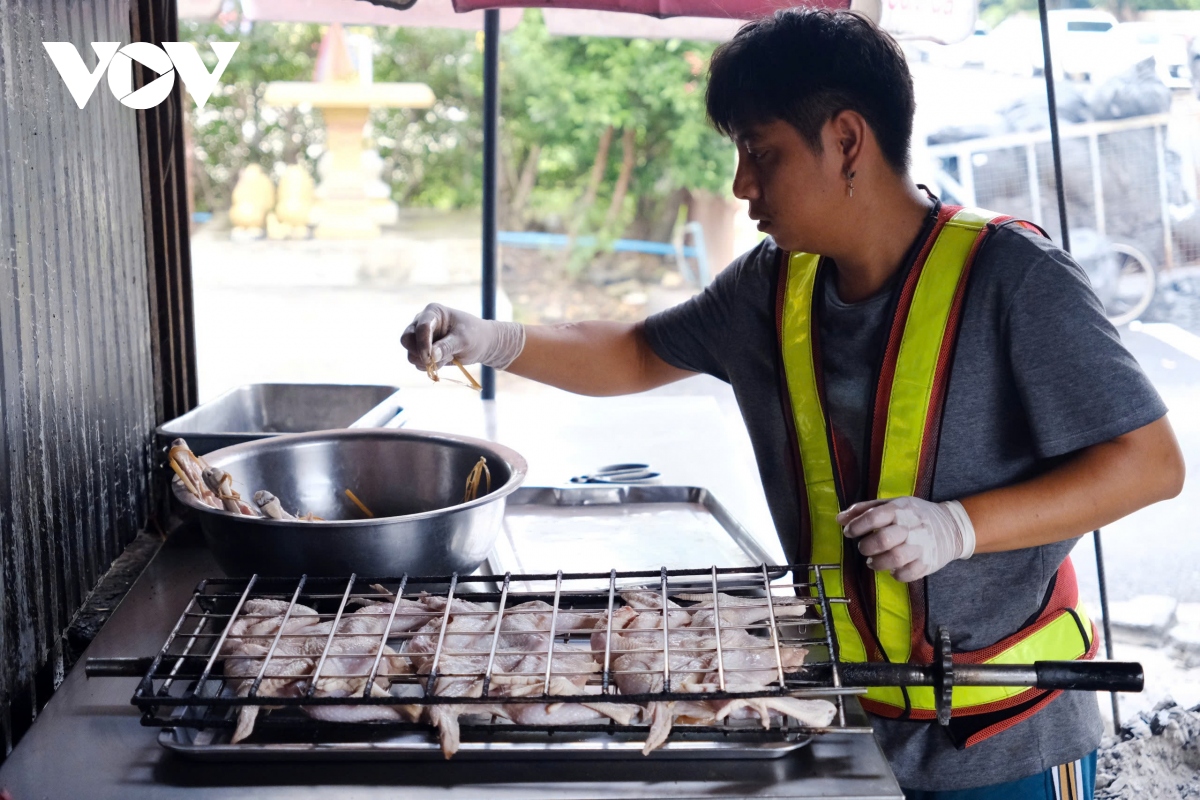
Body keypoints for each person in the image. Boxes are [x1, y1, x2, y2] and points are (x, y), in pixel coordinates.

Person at [400, 9, 1184, 798]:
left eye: (759, 151)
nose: (742, 184)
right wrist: (496, 340)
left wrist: (961, 526)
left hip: (1006, 737)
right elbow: (639, 349)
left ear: (846, 141)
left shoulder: (1012, 276)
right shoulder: (774, 285)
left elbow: (1149, 465)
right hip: (844, 713)